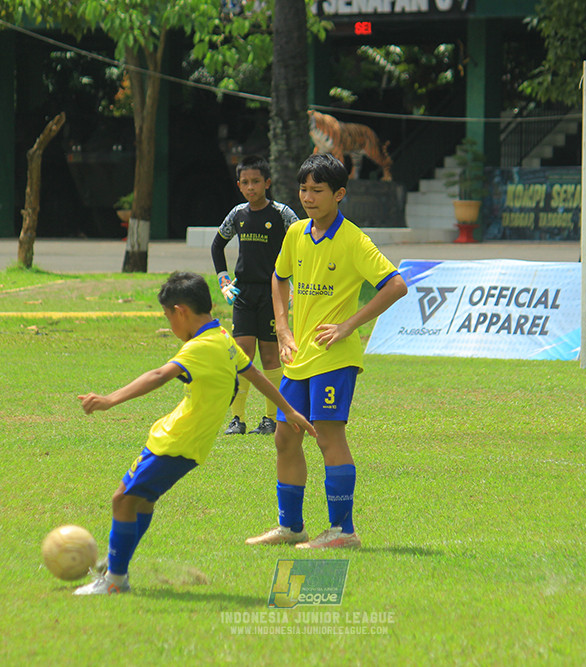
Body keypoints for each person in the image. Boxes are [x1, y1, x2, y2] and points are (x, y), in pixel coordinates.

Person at [73, 271, 316, 595]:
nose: (170, 325)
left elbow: (159, 375)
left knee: (123, 500)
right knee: (140, 501)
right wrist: (287, 409)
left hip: (176, 443)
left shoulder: (200, 347)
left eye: (167, 317)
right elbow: (255, 374)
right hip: (178, 442)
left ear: (181, 311)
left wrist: (109, 400)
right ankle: (119, 561)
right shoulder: (224, 340)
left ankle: (115, 580)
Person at [246, 153, 408, 550]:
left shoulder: (354, 239)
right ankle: (291, 527)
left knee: (327, 437)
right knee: (285, 436)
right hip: (299, 358)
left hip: (335, 358)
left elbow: (396, 285)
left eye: (317, 190)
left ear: (339, 194)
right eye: (303, 189)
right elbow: (279, 277)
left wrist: (349, 324)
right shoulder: (296, 233)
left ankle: (343, 531)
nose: (308, 197)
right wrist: (282, 331)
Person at [211, 155, 300, 437]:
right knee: (241, 355)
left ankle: (270, 418)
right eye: (245, 183)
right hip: (244, 294)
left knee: (271, 357)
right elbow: (217, 246)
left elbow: (303, 245)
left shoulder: (282, 214)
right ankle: (237, 419)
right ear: (239, 185)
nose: (251, 187)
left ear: (267, 183)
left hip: (273, 293)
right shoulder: (237, 214)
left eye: (256, 182)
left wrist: (294, 285)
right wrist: (224, 279)